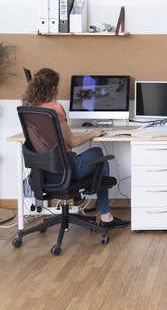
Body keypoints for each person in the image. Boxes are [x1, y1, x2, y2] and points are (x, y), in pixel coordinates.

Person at [22, 68, 129, 229]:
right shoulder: (55, 108)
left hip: (43, 174)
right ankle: (105, 215)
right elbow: (72, 142)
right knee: (98, 154)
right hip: (66, 171)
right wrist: (92, 133)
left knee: (93, 157)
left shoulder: (28, 108)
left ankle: (79, 199)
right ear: (53, 88)